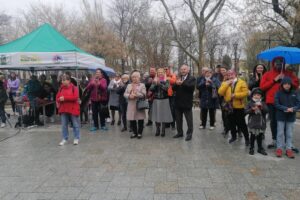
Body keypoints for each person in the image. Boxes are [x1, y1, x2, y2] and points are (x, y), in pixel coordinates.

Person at [260, 57, 299, 149]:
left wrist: (286, 79)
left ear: (283, 63)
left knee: (285, 122)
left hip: (286, 102)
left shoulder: (288, 74)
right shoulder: (268, 74)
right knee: (274, 121)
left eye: (281, 62)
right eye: (276, 62)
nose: (279, 64)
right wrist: (275, 79)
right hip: (272, 101)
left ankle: (286, 141)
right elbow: (262, 87)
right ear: (273, 63)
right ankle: (275, 140)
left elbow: (296, 85)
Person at [218, 70, 250, 145]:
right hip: (229, 107)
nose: (230, 75)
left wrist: (236, 95)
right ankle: (233, 136)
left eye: (231, 74)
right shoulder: (224, 83)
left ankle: (247, 138)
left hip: (239, 106)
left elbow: (246, 92)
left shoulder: (241, 82)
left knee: (241, 123)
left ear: (235, 74)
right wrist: (226, 84)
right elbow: (220, 92)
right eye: (228, 74)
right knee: (231, 122)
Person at [274, 77, 300, 158]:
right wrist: (285, 108)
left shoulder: (295, 93)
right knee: (280, 133)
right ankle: (279, 149)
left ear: (291, 85)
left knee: (289, 133)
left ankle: (289, 149)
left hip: (291, 116)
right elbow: (276, 104)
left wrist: (294, 109)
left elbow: (298, 103)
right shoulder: (278, 93)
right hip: (281, 116)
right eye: (285, 84)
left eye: (289, 84)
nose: (287, 85)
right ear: (282, 85)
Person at [173, 64, 196, 141]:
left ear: (188, 70)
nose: (183, 71)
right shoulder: (178, 78)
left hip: (187, 103)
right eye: (182, 69)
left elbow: (191, 88)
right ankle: (180, 133)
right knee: (178, 120)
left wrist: (182, 83)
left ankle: (189, 134)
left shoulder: (192, 78)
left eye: (184, 69)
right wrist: (176, 83)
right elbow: (173, 89)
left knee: (189, 120)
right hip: (178, 102)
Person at [56, 73, 80, 146]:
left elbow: (75, 97)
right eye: (62, 80)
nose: (62, 82)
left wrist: (64, 98)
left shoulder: (74, 88)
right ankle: (64, 138)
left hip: (73, 109)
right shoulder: (60, 88)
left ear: (69, 80)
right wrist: (60, 99)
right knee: (64, 125)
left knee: (75, 124)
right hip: (63, 109)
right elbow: (57, 98)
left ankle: (76, 138)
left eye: (64, 80)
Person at [150, 68, 173, 137]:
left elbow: (166, 88)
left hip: (164, 100)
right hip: (156, 100)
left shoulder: (167, 80)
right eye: (159, 72)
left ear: (164, 73)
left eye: (161, 72)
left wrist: (159, 83)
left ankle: (163, 130)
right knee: (157, 115)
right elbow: (151, 89)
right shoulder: (154, 80)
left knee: (163, 115)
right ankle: (157, 129)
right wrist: (155, 83)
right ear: (157, 73)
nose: (160, 73)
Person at [245, 88, 268, 155]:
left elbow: (267, 111)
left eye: (258, 95)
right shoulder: (250, 103)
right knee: (252, 136)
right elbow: (245, 111)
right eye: (255, 95)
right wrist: (252, 109)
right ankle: (251, 148)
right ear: (252, 95)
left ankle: (260, 148)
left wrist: (261, 107)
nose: (256, 96)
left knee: (260, 136)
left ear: (261, 96)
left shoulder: (263, 103)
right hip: (253, 123)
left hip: (261, 123)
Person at [124, 70, 146, 139]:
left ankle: (139, 133)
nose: (134, 78)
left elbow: (144, 94)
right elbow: (125, 94)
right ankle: (134, 132)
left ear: (139, 78)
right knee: (132, 119)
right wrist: (129, 96)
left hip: (139, 104)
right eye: (133, 77)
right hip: (131, 104)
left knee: (140, 119)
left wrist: (136, 94)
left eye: (136, 77)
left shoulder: (142, 85)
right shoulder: (129, 85)